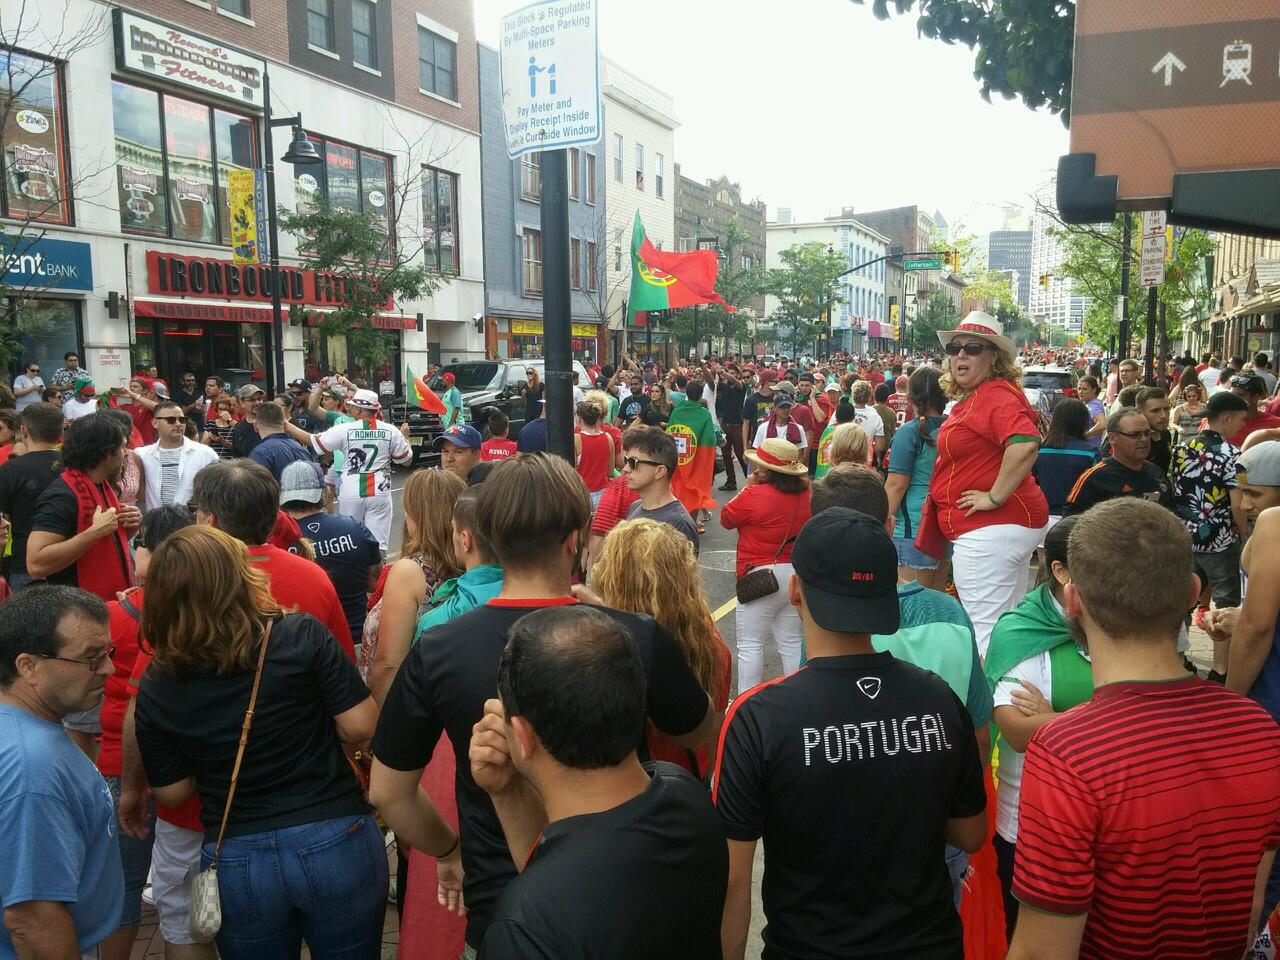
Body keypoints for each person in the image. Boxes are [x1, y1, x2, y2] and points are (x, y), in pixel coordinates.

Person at [369, 454, 717, 957]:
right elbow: (698, 728)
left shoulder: (440, 646)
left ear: (483, 534)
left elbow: (389, 791)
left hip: (501, 896)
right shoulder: (634, 634)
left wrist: (449, 849)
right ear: (576, 537)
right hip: (634, 876)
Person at [1006, 499, 1280, 960]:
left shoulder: (1067, 752)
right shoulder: (1260, 730)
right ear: (1194, 591)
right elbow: (1251, 908)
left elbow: (1041, 951)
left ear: (1073, 600)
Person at [715, 506, 987, 960]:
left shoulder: (757, 716)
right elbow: (970, 834)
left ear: (796, 589)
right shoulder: (937, 698)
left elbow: (733, 880)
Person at [133, 526, 384, 960]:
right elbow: (362, 725)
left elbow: (172, 791)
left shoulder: (159, 680)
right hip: (331, 830)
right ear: (239, 577)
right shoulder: (299, 634)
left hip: (236, 852)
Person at [467, 606, 728, 959]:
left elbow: (563, 885)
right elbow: (567, 869)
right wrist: (507, 794)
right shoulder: (687, 798)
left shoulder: (523, 929)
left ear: (523, 737)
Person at [983, 516, 1093, 940]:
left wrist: (1055, 720)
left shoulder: (1122, 618)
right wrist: (1116, 726)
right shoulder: (1022, 630)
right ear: (1060, 570)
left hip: (1109, 826)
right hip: (1031, 829)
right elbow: (1016, 730)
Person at [0, 585, 123, 959]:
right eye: (90, 658)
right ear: (29, 666)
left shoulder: (25, 734)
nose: (109, 668)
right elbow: (33, 919)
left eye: (107, 653)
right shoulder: (32, 771)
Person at [95, 505, 194, 960]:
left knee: (121, 886)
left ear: (149, 552)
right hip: (184, 770)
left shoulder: (111, 616)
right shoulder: (197, 613)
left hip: (120, 765)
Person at [923, 312, 1048, 657]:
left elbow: (1024, 443)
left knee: (983, 628)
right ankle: (1006, 701)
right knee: (1003, 624)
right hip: (997, 529)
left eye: (973, 348)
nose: (960, 355)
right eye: (955, 348)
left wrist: (994, 497)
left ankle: (985, 709)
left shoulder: (994, 394)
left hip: (989, 530)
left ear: (994, 357)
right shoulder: (982, 395)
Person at [586, 518, 730, 776]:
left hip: (631, 785)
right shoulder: (710, 642)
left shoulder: (603, 650)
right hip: (688, 782)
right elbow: (712, 741)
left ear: (611, 578)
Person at [190, 460, 354, 656]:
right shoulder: (313, 576)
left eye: (195, 509)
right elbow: (343, 661)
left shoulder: (189, 579)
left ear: (211, 521)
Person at [721, 437, 812, 693]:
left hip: (760, 575)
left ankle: (746, 703)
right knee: (792, 642)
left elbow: (727, 518)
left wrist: (746, 488)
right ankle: (799, 698)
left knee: (750, 644)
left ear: (769, 470)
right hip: (795, 574)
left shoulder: (754, 493)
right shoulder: (808, 495)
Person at [364, 467, 465, 699]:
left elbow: (389, 665)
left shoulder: (410, 571)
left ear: (419, 516)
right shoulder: (470, 562)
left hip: (410, 701)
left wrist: (379, 726)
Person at [1171, 390, 1250, 682]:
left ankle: (1176, 660)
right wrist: (1246, 536)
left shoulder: (1182, 448)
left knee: (1179, 601)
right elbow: (1238, 503)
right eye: (1240, 420)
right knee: (1227, 603)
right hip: (1220, 541)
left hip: (1184, 535)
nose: (1242, 426)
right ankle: (1220, 669)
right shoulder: (1233, 455)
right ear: (1226, 418)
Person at [27, 412, 139, 598]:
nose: (127, 453)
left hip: (102, 606)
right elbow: (35, 564)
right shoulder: (62, 495)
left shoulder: (103, 485)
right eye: (123, 447)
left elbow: (103, 543)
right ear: (105, 452)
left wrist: (130, 526)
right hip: (75, 611)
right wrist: (94, 533)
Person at [280, 461, 382, 642]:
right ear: (325, 492)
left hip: (305, 647)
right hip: (357, 639)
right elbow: (374, 578)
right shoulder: (354, 527)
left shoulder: (277, 541)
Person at [307, 389, 412, 551]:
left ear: (358, 409)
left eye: (353, 406)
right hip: (379, 491)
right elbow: (405, 460)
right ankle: (377, 574)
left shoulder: (345, 429)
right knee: (378, 544)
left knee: (350, 541)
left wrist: (285, 426)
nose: (350, 408)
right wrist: (405, 437)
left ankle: (355, 572)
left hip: (351, 491)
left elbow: (314, 442)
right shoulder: (391, 430)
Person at [885, 366, 949, 589]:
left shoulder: (909, 432)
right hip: (944, 523)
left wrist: (880, 522)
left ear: (912, 396)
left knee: (911, 608)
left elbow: (896, 484)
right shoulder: (954, 427)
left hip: (912, 527)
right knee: (936, 603)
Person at [0, 402, 63, 589]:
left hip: (25, 563)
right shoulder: (76, 465)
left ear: (24, 431)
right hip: (69, 560)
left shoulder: (11, 470)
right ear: (60, 432)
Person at [1064, 407, 1172, 515]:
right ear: (1112, 438)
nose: (1144, 439)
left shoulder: (1156, 473)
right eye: (1134, 435)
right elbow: (1071, 524)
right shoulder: (1095, 478)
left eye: (1147, 433)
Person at [618, 426, 700, 551]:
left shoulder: (678, 524)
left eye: (633, 462)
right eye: (625, 460)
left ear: (660, 471)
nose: (625, 469)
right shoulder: (635, 506)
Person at [135, 400, 220, 510]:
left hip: (192, 523)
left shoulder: (206, 454)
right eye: (171, 420)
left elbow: (216, 492)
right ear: (155, 423)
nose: (178, 424)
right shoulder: (142, 455)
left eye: (182, 420)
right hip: (155, 522)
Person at [1032, 398, 1099, 532]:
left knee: (1045, 553)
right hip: (1079, 519)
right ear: (1083, 421)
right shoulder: (1090, 453)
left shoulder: (1040, 450)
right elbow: (1096, 487)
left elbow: (1033, 481)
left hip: (1044, 518)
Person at [664, 380, 718, 529]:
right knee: (695, 489)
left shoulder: (676, 411)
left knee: (677, 488)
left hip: (679, 458)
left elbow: (670, 432)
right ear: (701, 395)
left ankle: (676, 521)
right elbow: (709, 439)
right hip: (695, 459)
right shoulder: (704, 414)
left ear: (686, 393)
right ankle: (691, 522)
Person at [245, 399, 314, 481]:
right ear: (285, 425)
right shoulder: (303, 451)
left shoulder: (260, 453)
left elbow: (254, 490)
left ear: (255, 426)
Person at [574, 400, 615, 509]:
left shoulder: (576, 439)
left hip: (582, 493)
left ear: (580, 418)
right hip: (603, 493)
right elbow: (610, 470)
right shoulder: (608, 437)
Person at [717, 365, 749, 490]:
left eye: (733, 373)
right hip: (725, 425)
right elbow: (713, 382)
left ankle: (750, 481)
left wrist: (723, 372)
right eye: (729, 372)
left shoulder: (741, 387)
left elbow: (734, 381)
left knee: (742, 455)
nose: (730, 375)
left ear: (738, 375)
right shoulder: (725, 387)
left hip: (737, 426)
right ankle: (731, 481)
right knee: (726, 455)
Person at [1228, 373, 1280, 446]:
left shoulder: (1276, 424)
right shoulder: (1222, 422)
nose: (1233, 400)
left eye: (1240, 395)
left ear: (1255, 397)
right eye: (1231, 395)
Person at [1136, 386, 1175, 474]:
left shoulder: (1165, 433)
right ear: (1140, 412)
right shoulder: (1132, 439)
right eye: (1155, 410)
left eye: (1166, 409)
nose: (1163, 415)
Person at [849, 380, 887, 461]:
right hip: (865, 459)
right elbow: (879, 447)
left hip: (843, 459)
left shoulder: (842, 410)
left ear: (852, 395)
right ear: (869, 397)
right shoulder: (875, 416)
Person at [49, 350, 90, 414]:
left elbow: (91, 388)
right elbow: (52, 387)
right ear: (66, 361)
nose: (73, 362)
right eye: (71, 360)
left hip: (80, 404)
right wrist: (65, 388)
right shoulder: (59, 372)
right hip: (64, 404)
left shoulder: (84, 373)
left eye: (75, 360)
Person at [1076, 375, 1107, 450]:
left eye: (1084, 389)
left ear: (1094, 390)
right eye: (1079, 389)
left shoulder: (1093, 405)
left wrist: (1084, 435)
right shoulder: (1090, 403)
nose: (1081, 392)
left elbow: (1102, 424)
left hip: (1090, 448)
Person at [1172, 378, 1206, 443]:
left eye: (1194, 396)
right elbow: (1173, 423)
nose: (1191, 398)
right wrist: (1178, 428)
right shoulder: (1180, 409)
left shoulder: (1204, 407)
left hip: (1199, 441)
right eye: (1189, 396)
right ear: (1186, 397)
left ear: (1198, 396)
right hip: (1184, 440)